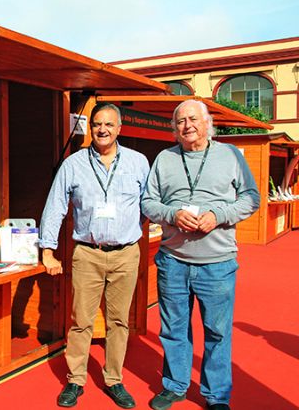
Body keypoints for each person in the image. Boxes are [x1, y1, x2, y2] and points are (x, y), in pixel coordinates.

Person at [141, 100, 260, 410]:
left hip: (217, 263)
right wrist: (172, 213)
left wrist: (218, 215)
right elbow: (148, 202)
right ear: (174, 129)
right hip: (173, 260)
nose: (187, 125)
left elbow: (251, 198)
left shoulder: (230, 155)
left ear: (208, 123)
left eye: (193, 118)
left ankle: (216, 395)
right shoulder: (165, 159)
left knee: (217, 332)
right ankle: (175, 385)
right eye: (180, 121)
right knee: (173, 328)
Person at [39, 103, 149, 409]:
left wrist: (132, 230)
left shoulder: (139, 163)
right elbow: (55, 206)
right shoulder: (73, 165)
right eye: (97, 124)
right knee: (81, 321)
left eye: (109, 125)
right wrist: (48, 250)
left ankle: (114, 379)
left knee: (119, 322)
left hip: (126, 254)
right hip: (87, 254)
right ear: (90, 128)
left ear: (119, 128)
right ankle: (75, 380)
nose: (102, 130)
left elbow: (148, 204)